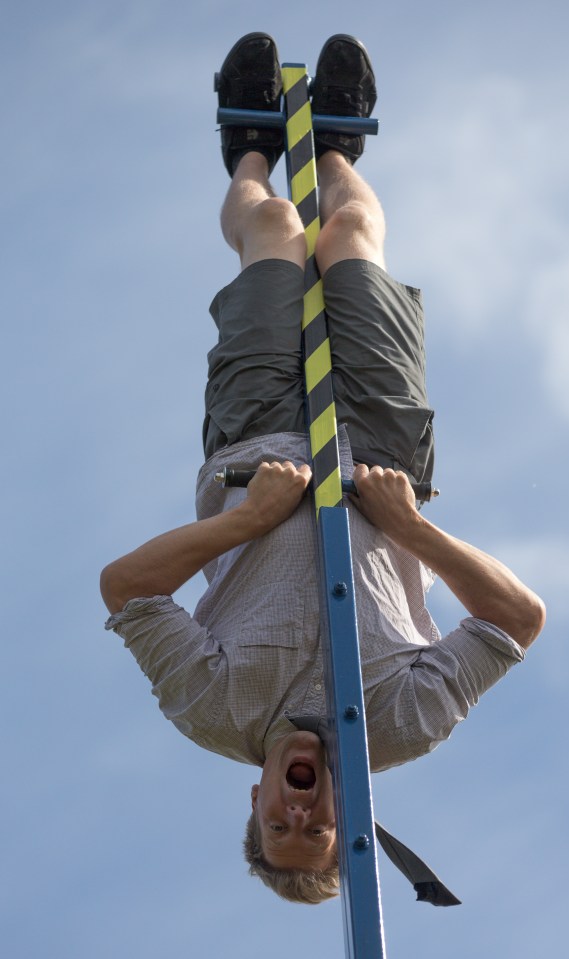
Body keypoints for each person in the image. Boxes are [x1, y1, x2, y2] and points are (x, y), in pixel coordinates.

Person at [100, 33, 545, 906]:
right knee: (348, 232)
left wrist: (247, 520)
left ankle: (249, 149)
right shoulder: (403, 725)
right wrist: (412, 529)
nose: (299, 816)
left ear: (257, 800)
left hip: (254, 442)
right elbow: (517, 618)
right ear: (348, 811)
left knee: (273, 226)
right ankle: (340, 145)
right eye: (319, 832)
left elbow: (126, 589)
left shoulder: (212, 708)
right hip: (383, 447)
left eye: (279, 827)